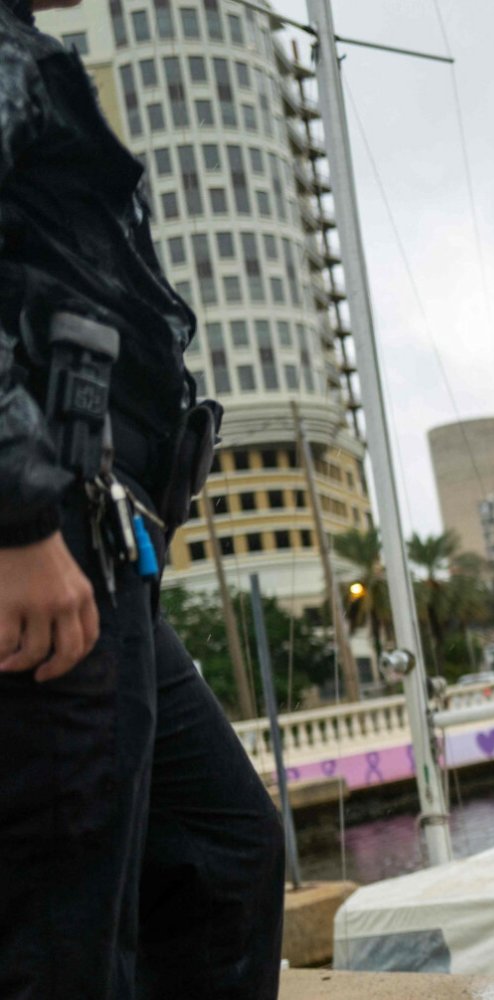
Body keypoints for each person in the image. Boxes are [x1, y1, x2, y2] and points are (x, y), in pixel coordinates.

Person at [0, 2, 285, 996]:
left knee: (226, 851)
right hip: (46, 530)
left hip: (111, 538)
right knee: (64, 932)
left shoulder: (26, 52)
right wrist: (17, 513)